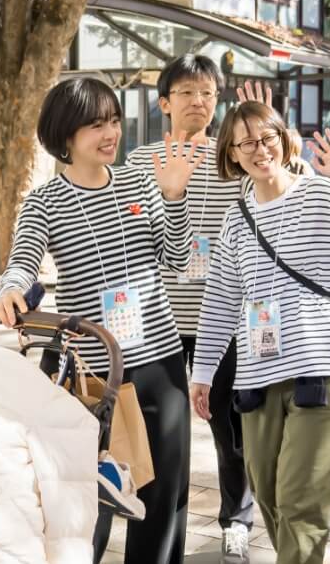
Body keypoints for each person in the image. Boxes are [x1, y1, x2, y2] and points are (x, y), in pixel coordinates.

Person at [0, 77, 201, 564]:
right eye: (95, 125)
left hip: (160, 360)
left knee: (164, 493)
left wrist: (174, 197)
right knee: (91, 497)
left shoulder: (139, 181)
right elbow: (23, 261)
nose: (110, 133)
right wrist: (10, 290)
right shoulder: (45, 201)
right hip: (93, 371)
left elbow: (175, 258)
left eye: (113, 121)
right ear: (66, 135)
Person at [190, 101, 330, 564]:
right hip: (256, 378)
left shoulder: (323, 196)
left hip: (320, 371)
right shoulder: (235, 221)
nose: (259, 150)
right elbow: (222, 302)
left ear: (284, 141)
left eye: (267, 138)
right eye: (246, 142)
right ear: (233, 153)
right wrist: (203, 371)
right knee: (268, 493)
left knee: (300, 501)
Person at [125, 56, 255, 562]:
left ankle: (236, 518)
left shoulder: (234, 157)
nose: (199, 101)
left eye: (207, 93)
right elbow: (132, 232)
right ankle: (158, 518)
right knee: (164, 430)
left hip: (221, 318)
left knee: (229, 426)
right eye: (186, 93)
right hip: (158, 320)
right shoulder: (140, 162)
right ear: (164, 103)